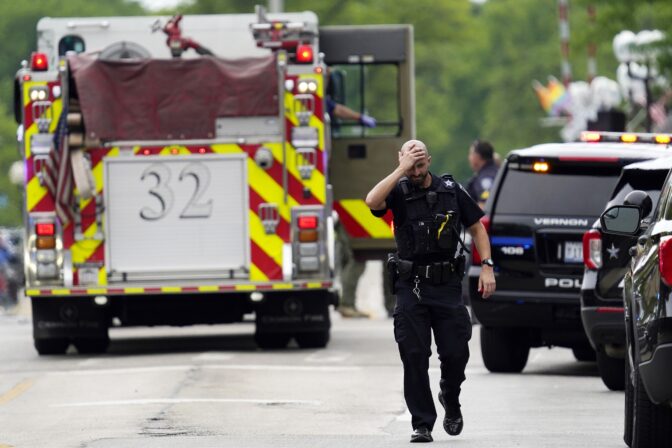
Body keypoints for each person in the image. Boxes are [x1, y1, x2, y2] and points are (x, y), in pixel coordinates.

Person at [365, 140, 495, 443]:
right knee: (413, 355)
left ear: (429, 161)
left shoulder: (451, 190)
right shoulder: (397, 191)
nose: (415, 169)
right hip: (412, 287)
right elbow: (372, 201)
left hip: (447, 286)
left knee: (455, 352)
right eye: (410, 162)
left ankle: (450, 396)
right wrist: (401, 169)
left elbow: (477, 227)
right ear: (401, 160)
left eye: (420, 164)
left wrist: (487, 265)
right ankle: (422, 423)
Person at [466, 140, 499, 209]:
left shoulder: (486, 178)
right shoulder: (497, 171)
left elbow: (485, 204)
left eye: (471, 154)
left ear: (477, 156)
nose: (469, 157)